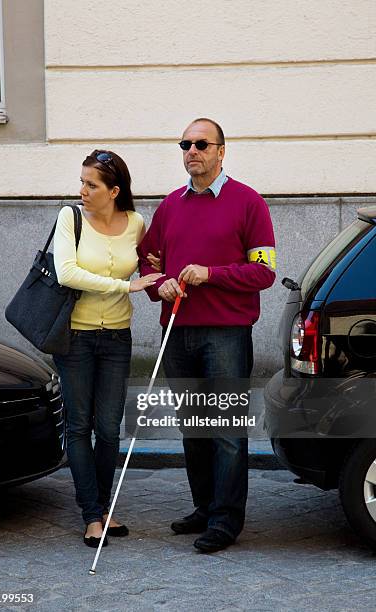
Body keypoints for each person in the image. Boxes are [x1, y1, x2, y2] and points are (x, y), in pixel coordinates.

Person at [138, 118, 276, 553]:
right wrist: (158, 281)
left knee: (225, 430)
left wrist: (210, 274)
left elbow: (264, 271)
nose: (192, 150)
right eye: (185, 144)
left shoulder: (248, 202)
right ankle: (205, 507)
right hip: (176, 331)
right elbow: (147, 261)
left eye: (201, 144)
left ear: (221, 151)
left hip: (227, 335)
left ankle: (225, 519)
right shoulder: (170, 206)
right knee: (193, 429)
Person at [53, 150, 162, 548]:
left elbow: (148, 265)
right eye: (82, 182)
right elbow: (67, 273)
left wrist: (155, 269)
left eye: (91, 184)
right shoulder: (70, 218)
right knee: (79, 426)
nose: (82, 190)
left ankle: (102, 506)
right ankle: (91, 514)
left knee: (110, 429)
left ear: (114, 191)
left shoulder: (136, 223)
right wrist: (124, 285)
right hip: (76, 338)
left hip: (117, 337)